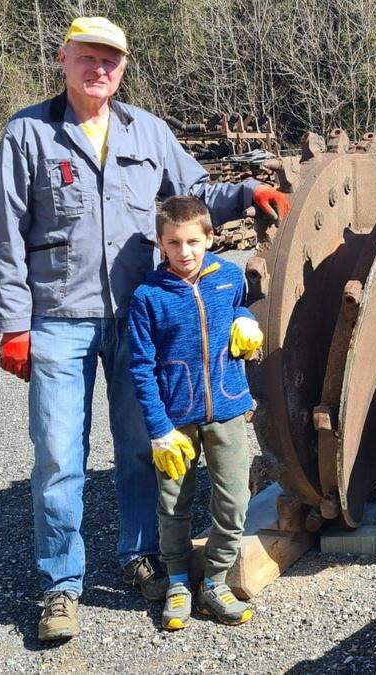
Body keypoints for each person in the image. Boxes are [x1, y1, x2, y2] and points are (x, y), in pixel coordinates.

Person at [0, 16, 289, 641]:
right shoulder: (28, 133)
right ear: (64, 60)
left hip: (137, 319)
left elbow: (196, 193)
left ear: (122, 68)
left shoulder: (147, 131)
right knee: (58, 456)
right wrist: (14, 324)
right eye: (87, 58)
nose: (99, 69)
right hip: (58, 321)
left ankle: (142, 557)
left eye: (111, 61)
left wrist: (253, 191)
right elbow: (8, 236)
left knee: (142, 448)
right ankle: (60, 587)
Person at [127, 196, 261, 631]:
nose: (184, 252)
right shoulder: (148, 297)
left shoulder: (230, 278)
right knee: (173, 504)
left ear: (210, 238)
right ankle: (179, 580)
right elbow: (141, 368)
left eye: (192, 241)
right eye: (173, 243)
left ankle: (216, 582)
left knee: (233, 500)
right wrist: (159, 429)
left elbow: (240, 304)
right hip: (175, 421)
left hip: (227, 410)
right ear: (160, 244)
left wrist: (245, 319)